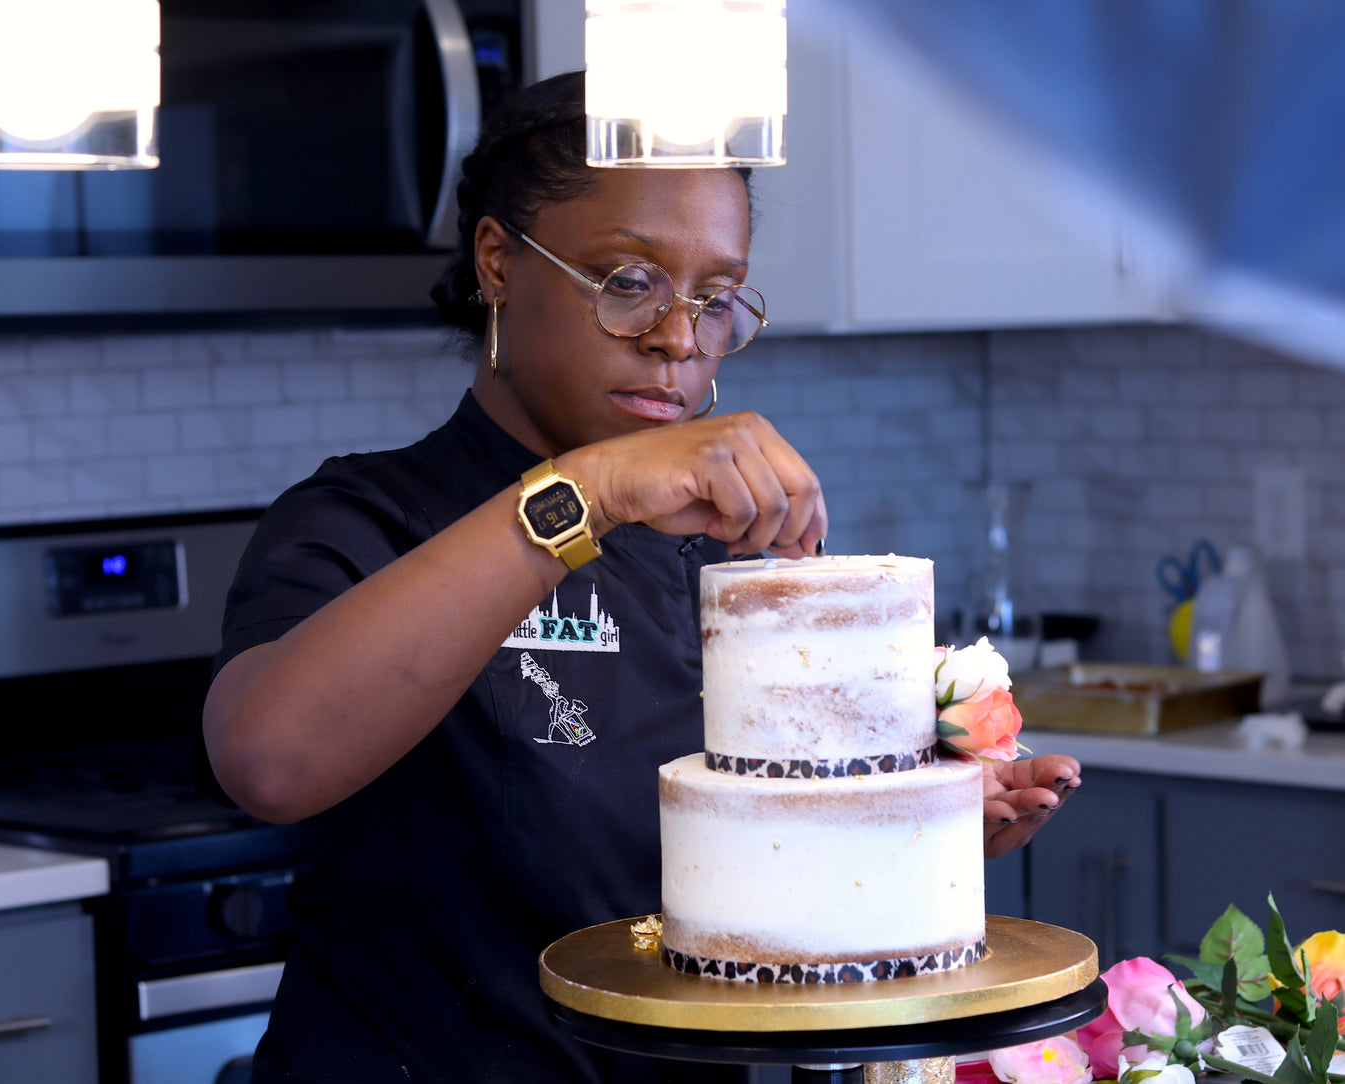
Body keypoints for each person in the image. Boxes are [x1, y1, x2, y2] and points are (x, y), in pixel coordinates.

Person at [201, 70, 1081, 1083]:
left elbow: (725, 886)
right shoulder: (366, 520)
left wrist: (890, 844)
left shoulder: (721, 559)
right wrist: (591, 486)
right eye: (627, 281)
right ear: (497, 261)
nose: (677, 339)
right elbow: (267, 761)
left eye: (714, 298)